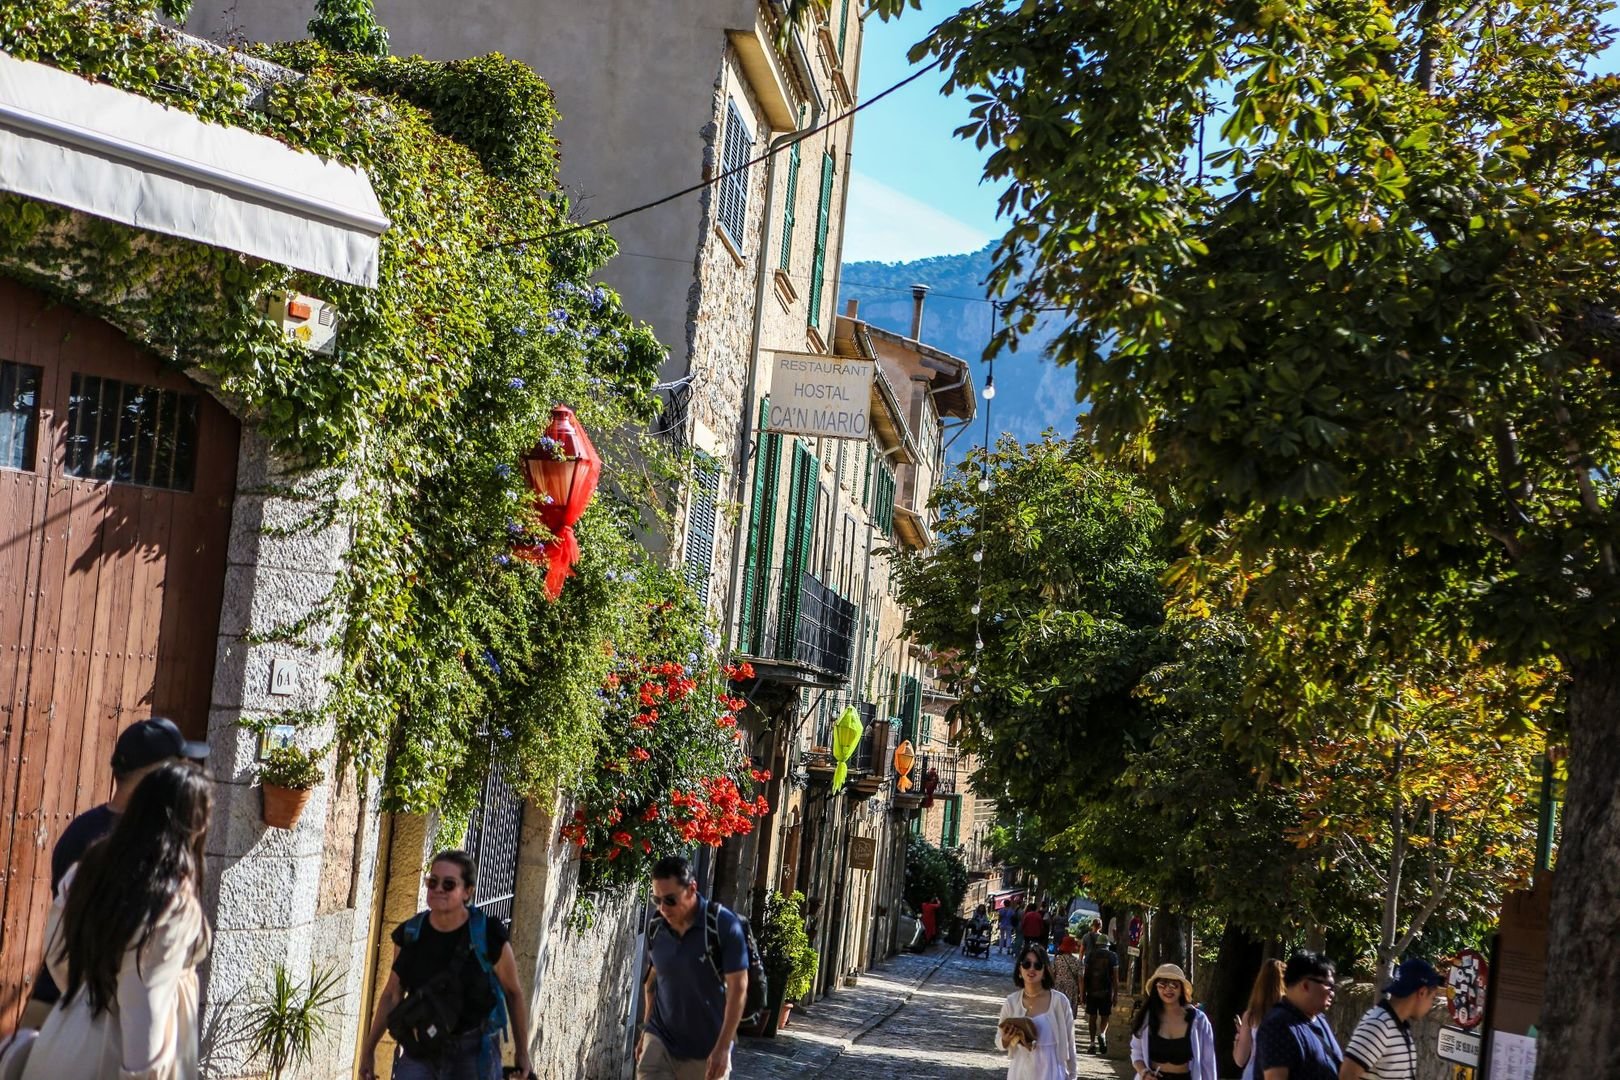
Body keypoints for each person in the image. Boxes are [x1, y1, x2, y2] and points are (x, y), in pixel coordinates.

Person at [16, 762, 211, 1080]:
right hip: (110, 1061)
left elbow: (57, 954)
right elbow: (146, 1017)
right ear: (194, 822)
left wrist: (94, 992)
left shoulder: (88, 868)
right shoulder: (172, 905)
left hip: (63, 1040)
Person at [359, 850, 532, 1080]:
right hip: (420, 1048)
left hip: (473, 1053)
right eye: (433, 882)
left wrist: (522, 1052)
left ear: (467, 892)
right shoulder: (410, 934)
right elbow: (392, 994)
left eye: (449, 884)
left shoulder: (487, 935)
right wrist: (368, 1050)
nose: (438, 889)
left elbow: (513, 992)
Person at [636, 855, 747, 1080]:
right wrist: (647, 1031)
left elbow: (738, 988)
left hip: (706, 1049)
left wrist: (724, 1047)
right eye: (656, 900)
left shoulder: (722, 926)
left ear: (692, 889)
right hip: (660, 1042)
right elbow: (652, 982)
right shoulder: (657, 927)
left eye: (670, 900)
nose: (663, 908)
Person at [1339, 959, 1444, 1080]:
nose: (1431, 1004)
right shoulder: (1378, 1025)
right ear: (1422, 992)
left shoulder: (1399, 1026)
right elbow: (1346, 1075)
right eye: (1433, 997)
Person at [1255, 952, 1343, 1080]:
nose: (1332, 993)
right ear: (1306, 985)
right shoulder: (1278, 1026)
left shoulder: (1320, 1020)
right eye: (1328, 986)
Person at [996, 944, 1079, 1080]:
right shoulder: (1011, 1002)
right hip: (1020, 1072)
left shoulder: (1059, 1002)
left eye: (1038, 965)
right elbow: (999, 1041)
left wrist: (1073, 1075)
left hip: (1051, 1072)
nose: (1031, 969)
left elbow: (1070, 1043)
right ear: (1019, 969)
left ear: (1045, 970)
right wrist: (1005, 1039)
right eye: (1027, 964)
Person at [1128, 964, 1216, 1080]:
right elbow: (1136, 1052)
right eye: (1162, 984)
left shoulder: (1198, 1020)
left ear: (1181, 989)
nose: (1168, 989)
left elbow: (1208, 1062)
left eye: (1174, 985)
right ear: (1156, 988)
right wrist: (1144, 1073)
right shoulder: (1147, 1017)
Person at [1235, 960, 1286, 1080]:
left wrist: (1238, 1037)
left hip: (1252, 1073)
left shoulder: (1251, 1015)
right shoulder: (1290, 1015)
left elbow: (1240, 1059)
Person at [1081, 932, 1119, 1054]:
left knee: (1092, 1017)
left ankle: (1092, 1044)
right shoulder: (1113, 956)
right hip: (1106, 991)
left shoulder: (1090, 955)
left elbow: (1085, 975)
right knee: (1105, 1016)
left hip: (1092, 991)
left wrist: (1083, 993)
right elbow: (1115, 978)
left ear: (1097, 944)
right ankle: (1102, 1034)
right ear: (1107, 945)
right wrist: (1115, 994)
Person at [1050, 936, 1084, 1020]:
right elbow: (1080, 980)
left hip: (1058, 988)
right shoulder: (1077, 962)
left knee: (1058, 1013)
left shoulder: (1056, 960)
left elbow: (1052, 976)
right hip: (1072, 989)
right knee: (1069, 1014)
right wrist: (1082, 995)